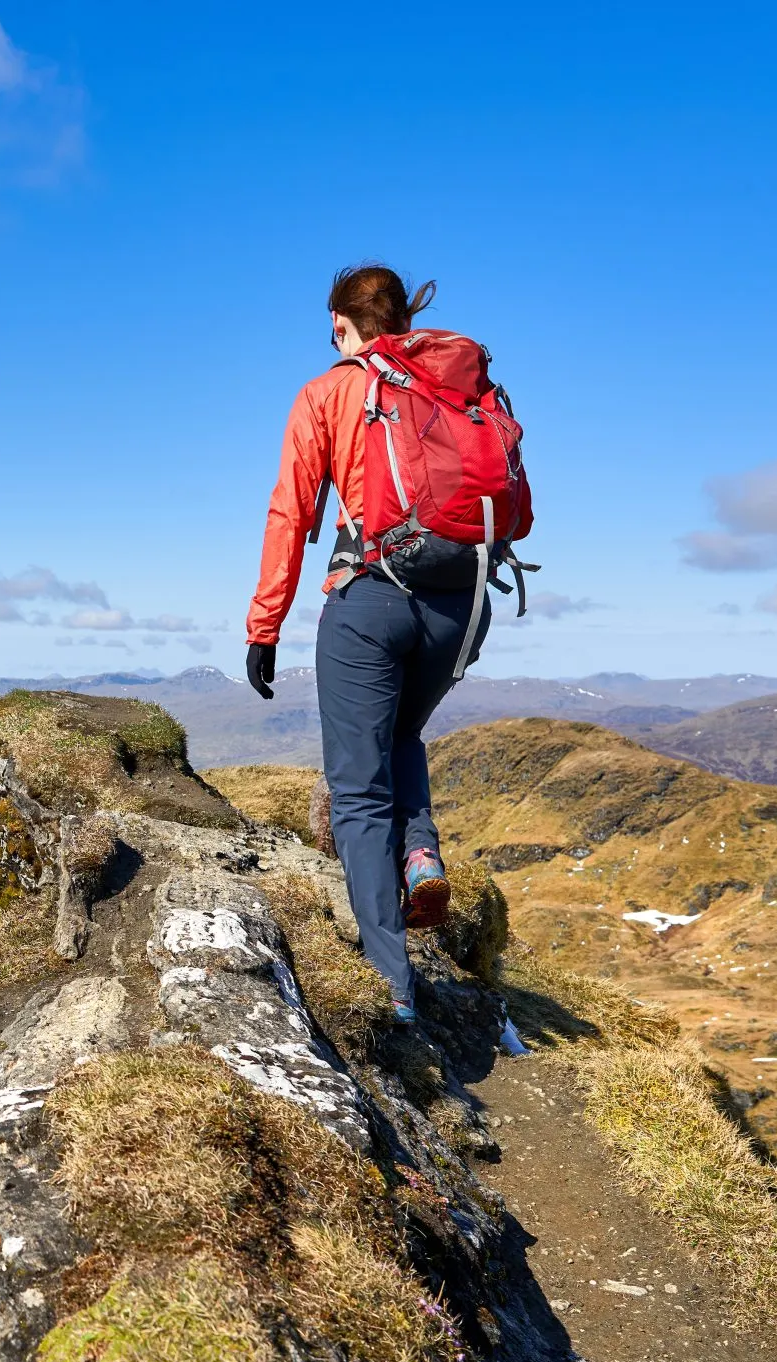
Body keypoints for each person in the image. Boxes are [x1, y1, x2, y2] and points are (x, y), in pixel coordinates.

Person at [243, 264, 490, 1024]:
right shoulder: (454, 385)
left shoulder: (328, 391)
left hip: (370, 598)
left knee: (356, 794)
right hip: (462, 606)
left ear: (344, 325)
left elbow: (291, 512)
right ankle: (421, 854)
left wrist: (264, 626)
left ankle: (393, 986)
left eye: (332, 331)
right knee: (403, 733)